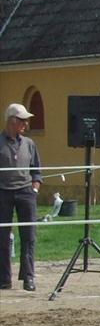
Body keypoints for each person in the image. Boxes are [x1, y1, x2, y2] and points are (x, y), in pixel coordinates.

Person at [0, 103, 42, 291]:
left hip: (26, 192)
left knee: (29, 236)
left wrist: (34, 188)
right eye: (22, 120)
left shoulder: (29, 143)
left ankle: (28, 277)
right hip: (3, 192)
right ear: (12, 121)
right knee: (2, 236)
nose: (25, 124)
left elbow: (36, 169)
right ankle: (4, 278)